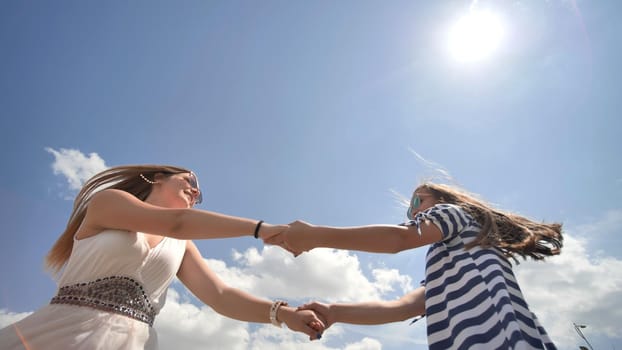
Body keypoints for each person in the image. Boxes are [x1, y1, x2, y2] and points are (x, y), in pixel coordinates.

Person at [0, 165, 324, 350]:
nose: (196, 191)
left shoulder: (181, 244)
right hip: (63, 331)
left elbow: (221, 296)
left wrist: (284, 314)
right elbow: (177, 222)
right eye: (190, 181)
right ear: (157, 177)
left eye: (200, 193)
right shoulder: (108, 203)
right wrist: (261, 229)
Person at [267, 182, 563, 350]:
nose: (414, 212)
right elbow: (403, 308)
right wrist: (335, 312)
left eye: (417, 202)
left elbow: (398, 238)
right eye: (410, 209)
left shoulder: (454, 213)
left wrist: (316, 236)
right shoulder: (446, 266)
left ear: (442, 199)